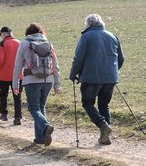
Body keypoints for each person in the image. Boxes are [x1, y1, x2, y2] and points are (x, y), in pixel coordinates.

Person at [69, 14, 125, 145]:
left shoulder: (87, 36)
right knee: (104, 105)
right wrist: (112, 71)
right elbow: (121, 59)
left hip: (91, 77)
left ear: (88, 24)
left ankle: (103, 125)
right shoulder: (113, 36)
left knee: (87, 103)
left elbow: (78, 58)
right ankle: (106, 136)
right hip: (110, 78)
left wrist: (73, 74)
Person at [12, 23, 61, 146]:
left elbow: (18, 65)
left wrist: (15, 84)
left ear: (28, 33)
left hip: (31, 80)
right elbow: (55, 65)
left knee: (34, 108)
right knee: (41, 107)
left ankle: (45, 126)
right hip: (48, 79)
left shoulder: (24, 43)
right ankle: (40, 138)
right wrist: (57, 84)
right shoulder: (49, 44)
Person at [0, 26, 23, 125]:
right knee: (17, 95)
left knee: (3, 95)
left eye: (1, 35)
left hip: (5, 75)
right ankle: (18, 117)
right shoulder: (20, 43)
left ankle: (4, 114)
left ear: (4, 34)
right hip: (18, 74)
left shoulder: (2, 43)